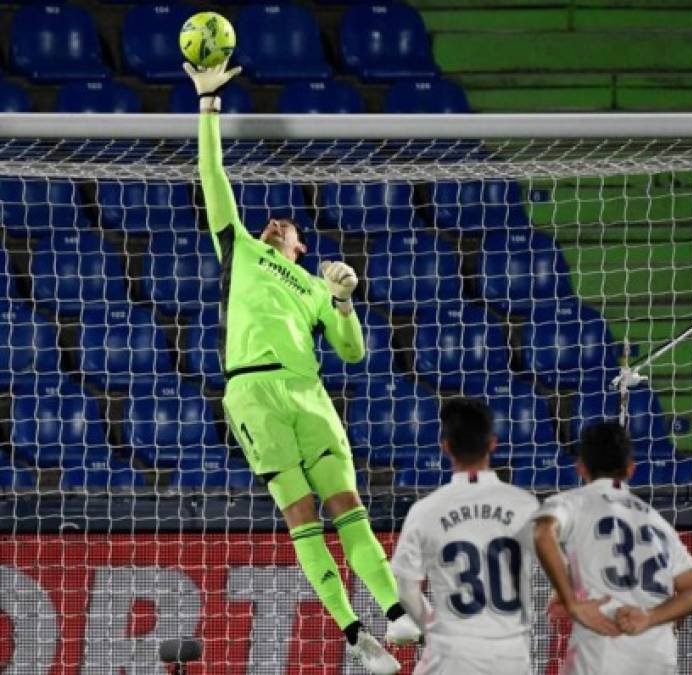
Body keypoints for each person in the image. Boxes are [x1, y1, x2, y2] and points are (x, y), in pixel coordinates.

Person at [183, 60, 419, 674]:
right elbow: (212, 175)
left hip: (308, 392)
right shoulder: (240, 249)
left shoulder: (315, 285)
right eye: (275, 224)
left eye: (289, 227)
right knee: (302, 517)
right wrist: (208, 104)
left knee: (348, 506)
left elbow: (352, 351)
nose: (279, 223)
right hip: (253, 389)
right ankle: (352, 633)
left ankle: (395, 614)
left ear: (302, 248)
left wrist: (342, 301)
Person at [532, 422, 692, 675]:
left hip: (603, 653)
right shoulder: (656, 520)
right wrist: (650, 617)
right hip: (658, 656)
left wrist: (572, 603)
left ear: (580, 468)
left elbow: (542, 533)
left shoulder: (572, 503)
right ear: (630, 469)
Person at [391, 398, 539, 675]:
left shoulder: (425, 511)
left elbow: (407, 592)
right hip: (511, 656)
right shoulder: (525, 505)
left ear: (445, 447)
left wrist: (431, 626)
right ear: (492, 443)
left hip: (453, 654)